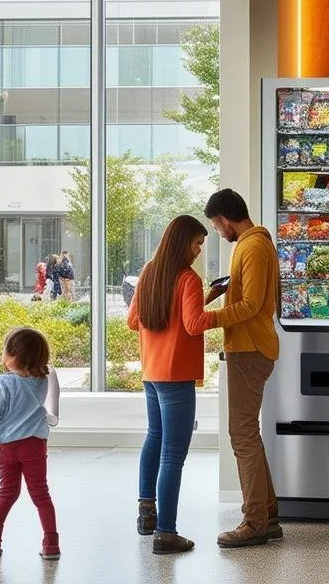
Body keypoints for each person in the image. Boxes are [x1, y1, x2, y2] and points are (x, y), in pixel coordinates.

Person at [199, 189, 281, 548]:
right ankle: (268, 515)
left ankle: (254, 523)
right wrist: (221, 292)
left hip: (250, 349)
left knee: (242, 434)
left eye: (216, 227)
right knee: (248, 434)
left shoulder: (253, 246)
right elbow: (246, 291)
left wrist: (207, 319)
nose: (218, 233)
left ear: (223, 220)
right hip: (246, 347)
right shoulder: (249, 246)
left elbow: (251, 304)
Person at [126, 215, 213, 555]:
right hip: (176, 377)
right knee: (173, 456)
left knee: (155, 439)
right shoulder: (188, 278)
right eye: (197, 244)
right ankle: (166, 532)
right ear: (183, 243)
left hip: (152, 372)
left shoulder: (150, 272)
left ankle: (147, 517)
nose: (198, 251)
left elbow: (134, 321)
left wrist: (203, 299)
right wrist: (224, 310)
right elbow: (193, 325)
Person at [0, 327, 62, 560]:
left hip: (8, 446)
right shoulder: (42, 379)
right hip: (35, 445)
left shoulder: (3, 382)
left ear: (13, 354)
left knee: (7, 494)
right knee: (41, 494)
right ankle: (51, 543)